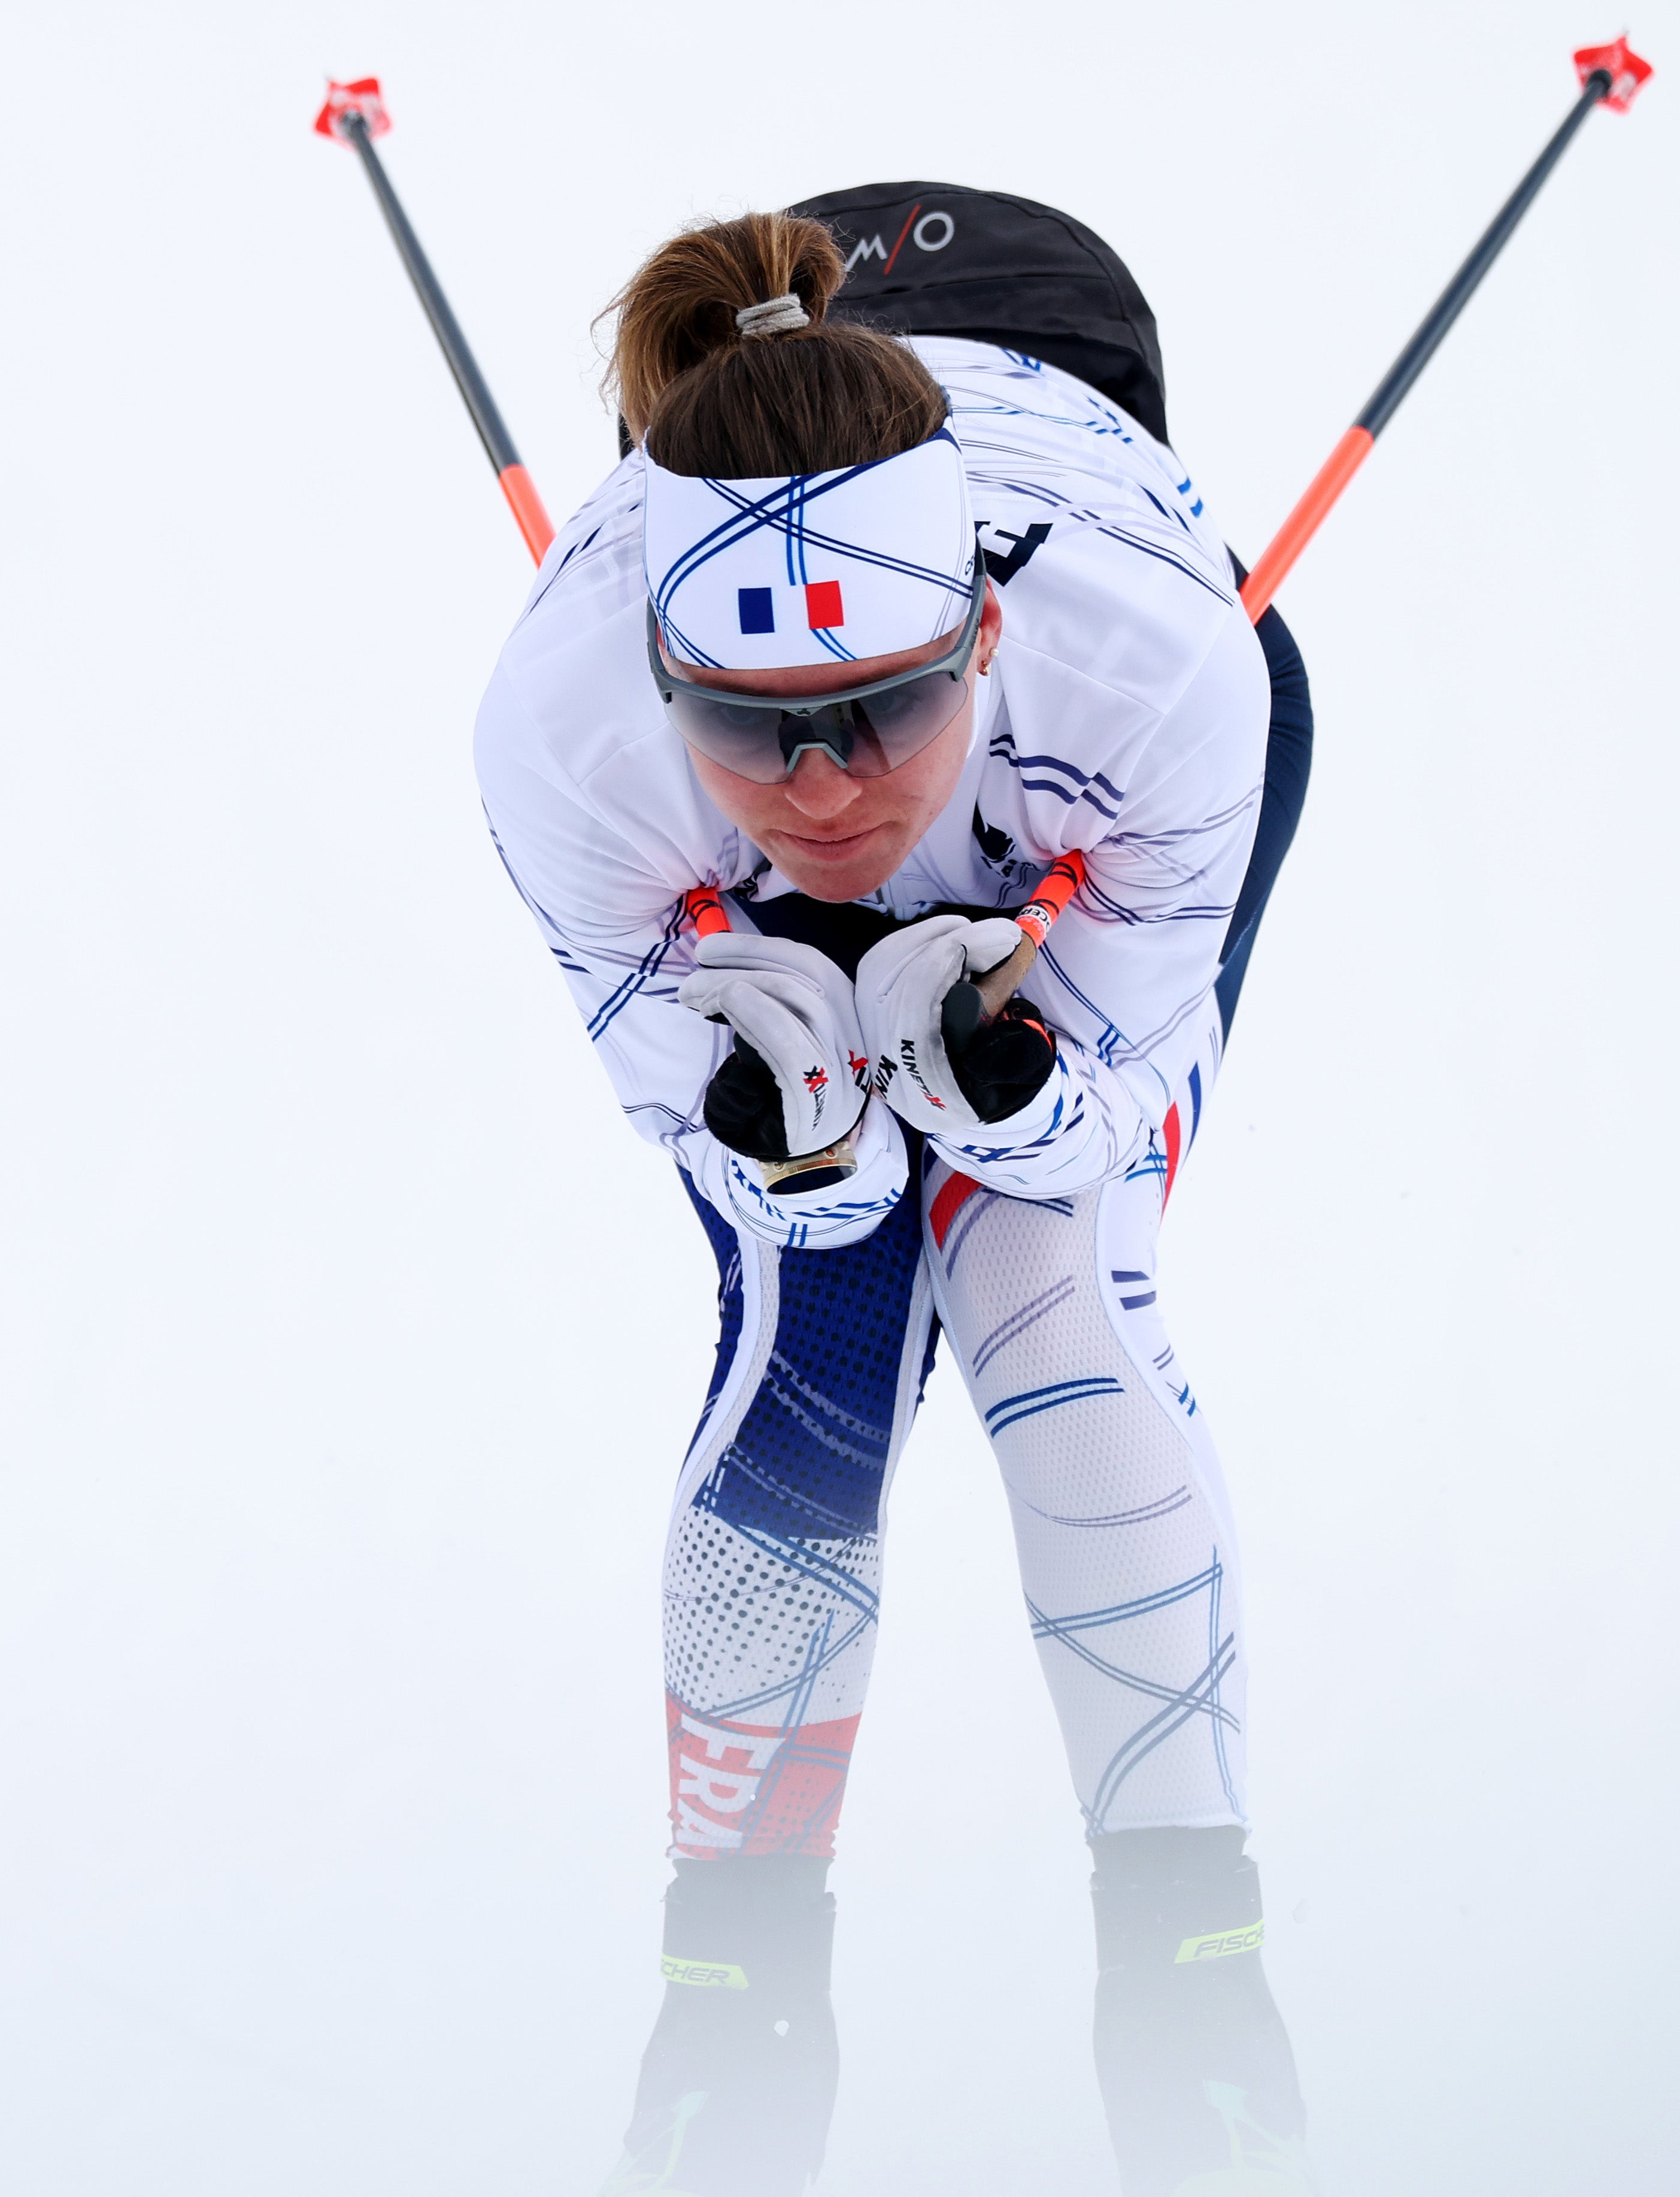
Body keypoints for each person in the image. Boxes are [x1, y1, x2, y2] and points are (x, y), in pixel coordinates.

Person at [470, 204, 1317, 2196]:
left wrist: (1018, 1091)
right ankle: (734, 2001)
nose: (832, 787)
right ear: (660, 671)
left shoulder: (1161, 667)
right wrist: (793, 1140)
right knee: (816, 1317)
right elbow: (705, 1121)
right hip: (848, 823)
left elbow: (1096, 1109)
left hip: (1090, 795)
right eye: (752, 727)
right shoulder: (566, 732)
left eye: (887, 711)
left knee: (1055, 1286)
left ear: (989, 633)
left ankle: (1191, 1976)